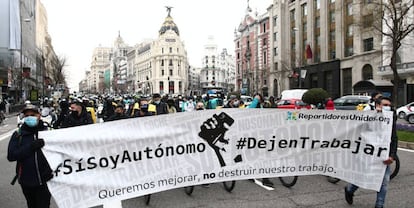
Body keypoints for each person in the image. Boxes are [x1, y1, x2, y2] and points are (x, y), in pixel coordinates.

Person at [344, 96, 398, 208]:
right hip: (367, 154)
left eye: (389, 106)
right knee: (363, 176)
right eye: (385, 105)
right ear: (378, 105)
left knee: (383, 183)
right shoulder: (367, 116)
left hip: (383, 155)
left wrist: (392, 156)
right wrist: (374, 116)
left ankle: (379, 205)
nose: (388, 108)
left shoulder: (390, 119)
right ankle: (349, 190)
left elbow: (394, 137)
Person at [7, 104, 53, 208]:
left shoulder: (48, 132)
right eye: (27, 116)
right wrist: (31, 147)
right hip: (26, 181)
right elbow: (11, 156)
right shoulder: (18, 134)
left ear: (39, 115)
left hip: (45, 181)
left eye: (33, 114)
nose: (30, 117)